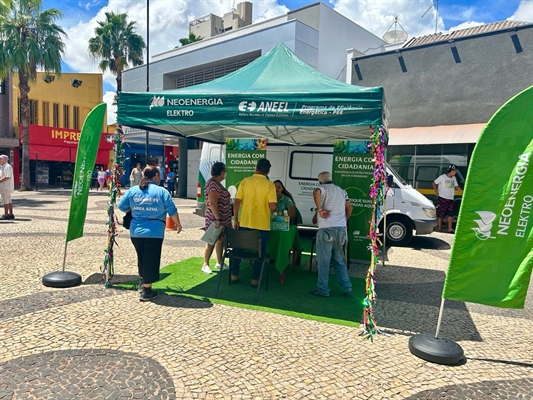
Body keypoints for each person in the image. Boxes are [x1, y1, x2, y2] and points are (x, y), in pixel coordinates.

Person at [118, 166, 183, 302]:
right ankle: (147, 291)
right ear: (156, 176)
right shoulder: (162, 192)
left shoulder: (133, 190)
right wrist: (178, 224)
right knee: (151, 259)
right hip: (155, 232)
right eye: (159, 176)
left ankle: (143, 282)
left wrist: (135, 208)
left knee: (142, 257)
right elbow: (172, 210)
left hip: (136, 231)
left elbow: (121, 206)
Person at [231, 158, 277, 287]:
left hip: (244, 223)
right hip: (262, 227)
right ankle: (254, 280)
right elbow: (273, 206)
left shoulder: (245, 182)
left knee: (237, 249)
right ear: (268, 171)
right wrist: (275, 208)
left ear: (256, 168)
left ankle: (234, 275)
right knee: (259, 254)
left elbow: (236, 202)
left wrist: (236, 219)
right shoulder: (269, 184)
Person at [310, 171, 353, 298]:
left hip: (326, 228)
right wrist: (344, 220)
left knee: (323, 261)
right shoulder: (341, 191)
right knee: (339, 260)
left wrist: (319, 209)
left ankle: (323, 290)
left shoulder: (322, 188)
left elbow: (316, 192)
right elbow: (350, 207)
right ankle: (347, 288)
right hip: (341, 228)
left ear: (320, 181)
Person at [201, 162, 232, 274]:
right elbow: (212, 203)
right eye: (225, 172)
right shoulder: (213, 185)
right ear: (222, 172)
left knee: (220, 240)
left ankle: (219, 262)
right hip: (215, 219)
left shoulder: (216, 183)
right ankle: (205, 264)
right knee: (211, 240)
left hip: (221, 219)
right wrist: (218, 219)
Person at [432, 164, 463, 234]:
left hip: (450, 198)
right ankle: (439, 227)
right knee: (440, 213)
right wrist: (436, 191)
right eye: (455, 171)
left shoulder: (453, 178)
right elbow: (434, 183)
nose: (455, 172)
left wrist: (462, 192)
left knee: (450, 214)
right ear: (451, 171)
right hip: (442, 197)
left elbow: (456, 186)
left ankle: (449, 228)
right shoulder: (442, 177)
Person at [0, 155, 15, 220]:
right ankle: (11, 214)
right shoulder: (2, 167)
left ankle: (6, 214)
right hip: (4, 186)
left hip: (6, 186)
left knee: (5, 200)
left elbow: (7, 177)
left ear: (5, 160)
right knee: (8, 200)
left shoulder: (7, 166)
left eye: (1, 158)